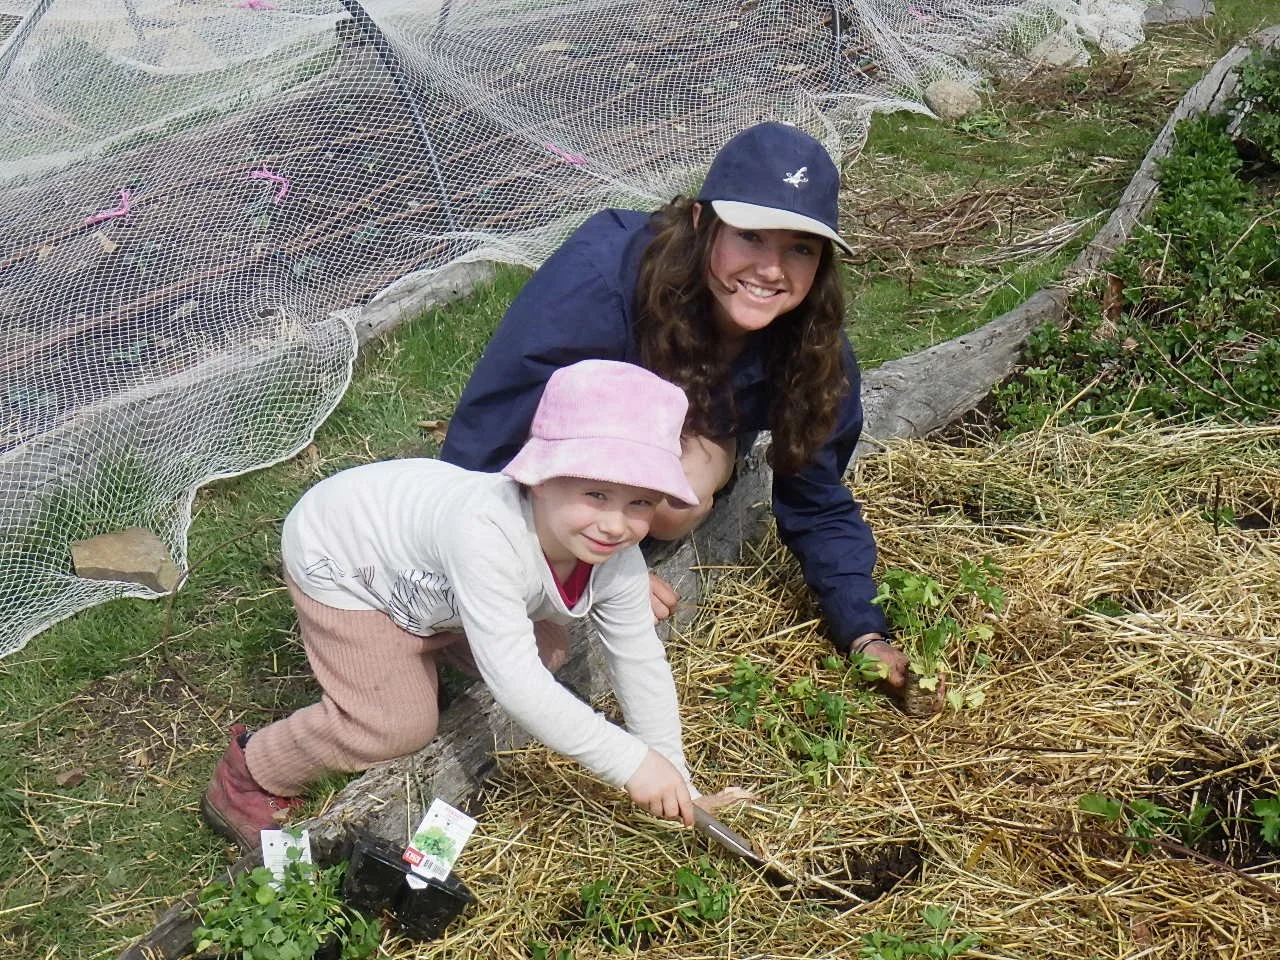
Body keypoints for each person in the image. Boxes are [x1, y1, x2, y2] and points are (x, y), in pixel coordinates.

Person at [441, 121, 924, 702]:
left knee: (680, 500)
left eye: (800, 248)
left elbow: (816, 497)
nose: (772, 269)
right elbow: (491, 432)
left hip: (685, 433)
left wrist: (864, 632)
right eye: (750, 236)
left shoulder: (812, 346)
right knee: (529, 644)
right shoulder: (600, 281)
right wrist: (600, 574)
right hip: (565, 446)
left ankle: (608, 539)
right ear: (702, 222)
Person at [202, 360, 714, 852]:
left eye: (640, 503)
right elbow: (518, 687)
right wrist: (631, 763)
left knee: (549, 653)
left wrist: (673, 774)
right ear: (540, 478)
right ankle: (250, 772)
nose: (616, 524)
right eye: (596, 494)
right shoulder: (486, 533)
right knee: (396, 727)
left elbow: (638, 659)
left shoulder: (614, 555)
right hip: (351, 562)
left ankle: (423, 653)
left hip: (430, 577)